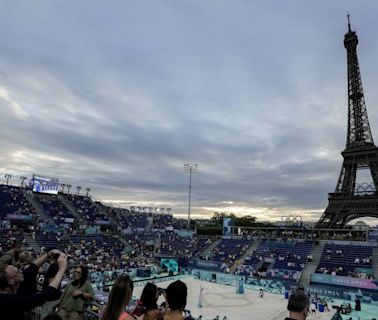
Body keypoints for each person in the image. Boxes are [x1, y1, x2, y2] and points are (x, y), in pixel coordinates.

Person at [0, 252, 67, 320]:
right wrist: (62, 269)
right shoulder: (11, 302)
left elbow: (32, 269)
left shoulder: (8, 293)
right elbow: (46, 295)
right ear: (11, 281)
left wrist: (48, 254)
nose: (21, 271)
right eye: (17, 272)